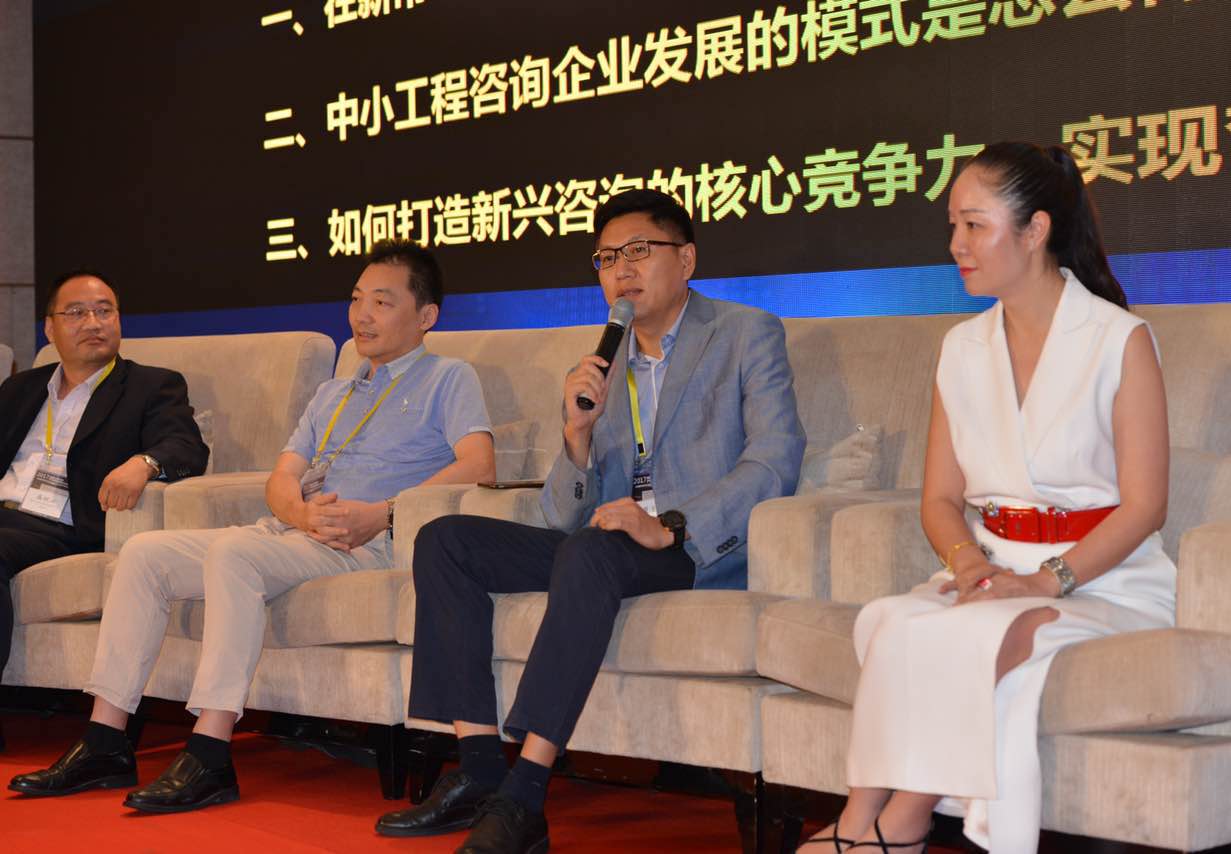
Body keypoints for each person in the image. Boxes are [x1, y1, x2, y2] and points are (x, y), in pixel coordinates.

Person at [375, 188, 806, 853]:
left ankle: (525, 795)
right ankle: (481, 769)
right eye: (606, 258)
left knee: (590, 549)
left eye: (639, 251)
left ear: (686, 260)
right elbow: (560, 513)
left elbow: (776, 458)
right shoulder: (606, 361)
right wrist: (576, 436)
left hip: (693, 547)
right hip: (608, 544)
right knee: (445, 540)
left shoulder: (745, 332)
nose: (621, 270)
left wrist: (674, 526)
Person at [9, 239, 497, 811]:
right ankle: (105, 741)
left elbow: (479, 466)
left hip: (365, 542)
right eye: (356, 299)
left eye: (382, 303)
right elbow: (281, 477)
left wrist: (384, 511)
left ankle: (210, 753)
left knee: (233, 556)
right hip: (295, 532)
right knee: (143, 554)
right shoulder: (334, 391)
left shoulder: (448, 377)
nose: (362, 315)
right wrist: (300, 513)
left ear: (426, 316)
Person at [799, 142, 1176, 854]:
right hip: (994, 569)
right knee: (892, 619)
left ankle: (899, 825)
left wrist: (1045, 580)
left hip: (1105, 580)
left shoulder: (1118, 339)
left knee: (974, 632)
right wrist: (971, 566)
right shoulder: (962, 347)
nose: (956, 245)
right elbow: (940, 500)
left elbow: (1145, 505)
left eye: (974, 225)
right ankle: (858, 820)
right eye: (954, 225)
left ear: (1035, 231)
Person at [0, 271, 207, 698]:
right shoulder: (21, 388)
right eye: (77, 313)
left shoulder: (151, 385)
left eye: (104, 311)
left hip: (64, 527)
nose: (93, 323)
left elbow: (186, 447)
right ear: (50, 328)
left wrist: (145, 463)